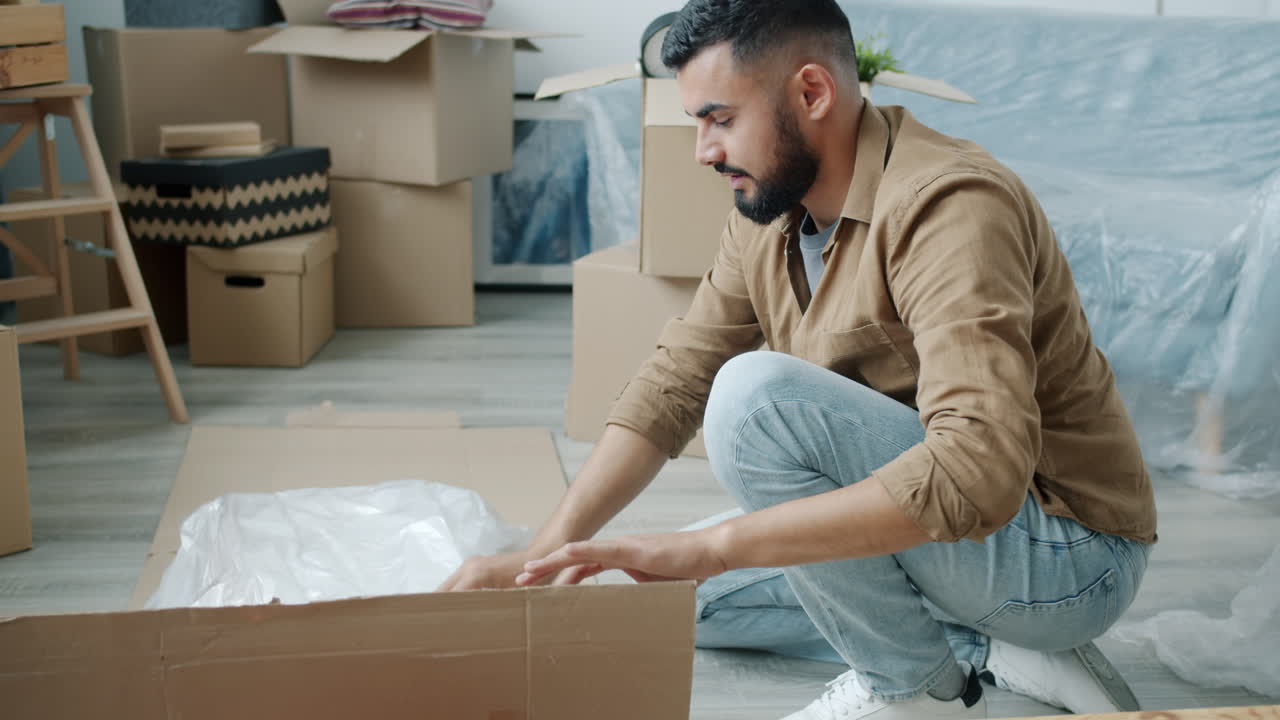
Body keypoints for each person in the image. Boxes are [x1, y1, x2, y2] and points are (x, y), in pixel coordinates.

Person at [441, 1, 1156, 718]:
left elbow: (979, 470)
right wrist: (538, 563)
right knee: (658, 599)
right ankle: (985, 649)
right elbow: (673, 384)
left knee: (756, 402)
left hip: (1062, 556)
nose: (703, 150)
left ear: (812, 93)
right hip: (942, 539)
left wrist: (720, 546)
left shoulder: (950, 206)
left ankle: (919, 691)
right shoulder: (769, 214)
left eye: (720, 119)